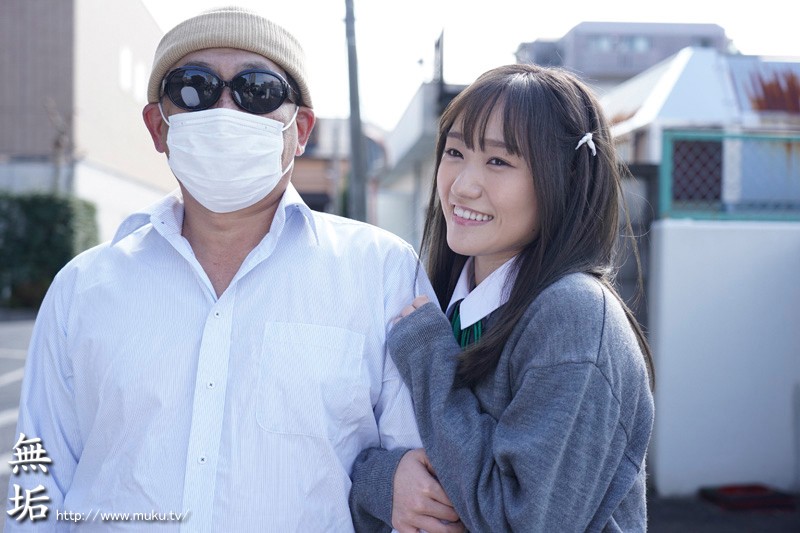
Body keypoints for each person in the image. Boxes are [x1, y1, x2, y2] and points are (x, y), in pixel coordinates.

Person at [6, 6, 458, 532]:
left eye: (257, 90)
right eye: (193, 88)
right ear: (158, 126)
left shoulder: (381, 274)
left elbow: (423, 479)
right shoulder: (83, 287)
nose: (224, 110)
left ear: (300, 129)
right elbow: (37, 477)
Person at [350, 64, 655, 532]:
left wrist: (430, 361)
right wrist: (385, 483)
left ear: (566, 178)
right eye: (455, 152)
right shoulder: (443, 303)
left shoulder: (573, 315)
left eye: (498, 162)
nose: (462, 186)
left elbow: (521, 522)